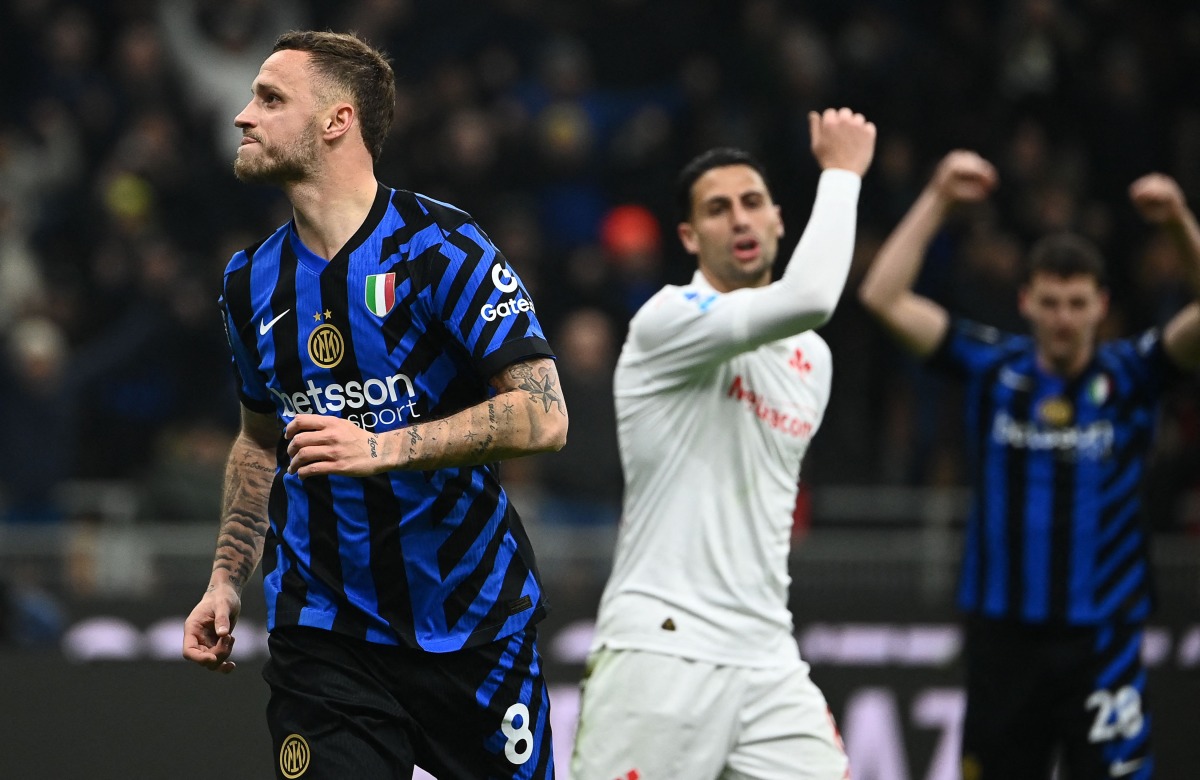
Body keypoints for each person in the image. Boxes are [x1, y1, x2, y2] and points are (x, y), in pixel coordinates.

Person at [181, 31, 568, 780]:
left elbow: (543, 413)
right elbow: (260, 440)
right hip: (324, 635)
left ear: (337, 121)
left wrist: (381, 445)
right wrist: (227, 577)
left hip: (472, 626)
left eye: (269, 98)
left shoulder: (442, 247)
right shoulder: (246, 282)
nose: (242, 115)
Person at [857, 150, 1200, 780]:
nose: (1063, 319)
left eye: (1076, 303)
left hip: (1103, 641)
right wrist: (936, 196)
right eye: (1050, 302)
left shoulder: (1133, 374)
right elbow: (882, 295)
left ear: (1100, 304)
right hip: (1003, 640)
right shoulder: (993, 368)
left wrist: (1179, 221)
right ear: (1026, 302)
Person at [571, 108, 876, 780]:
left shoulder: (812, 361)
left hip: (768, 654)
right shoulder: (669, 320)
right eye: (716, 209)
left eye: (751, 203)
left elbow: (805, 312)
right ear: (688, 235)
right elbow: (815, 294)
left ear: (778, 221)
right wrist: (844, 174)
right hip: (661, 652)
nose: (738, 219)